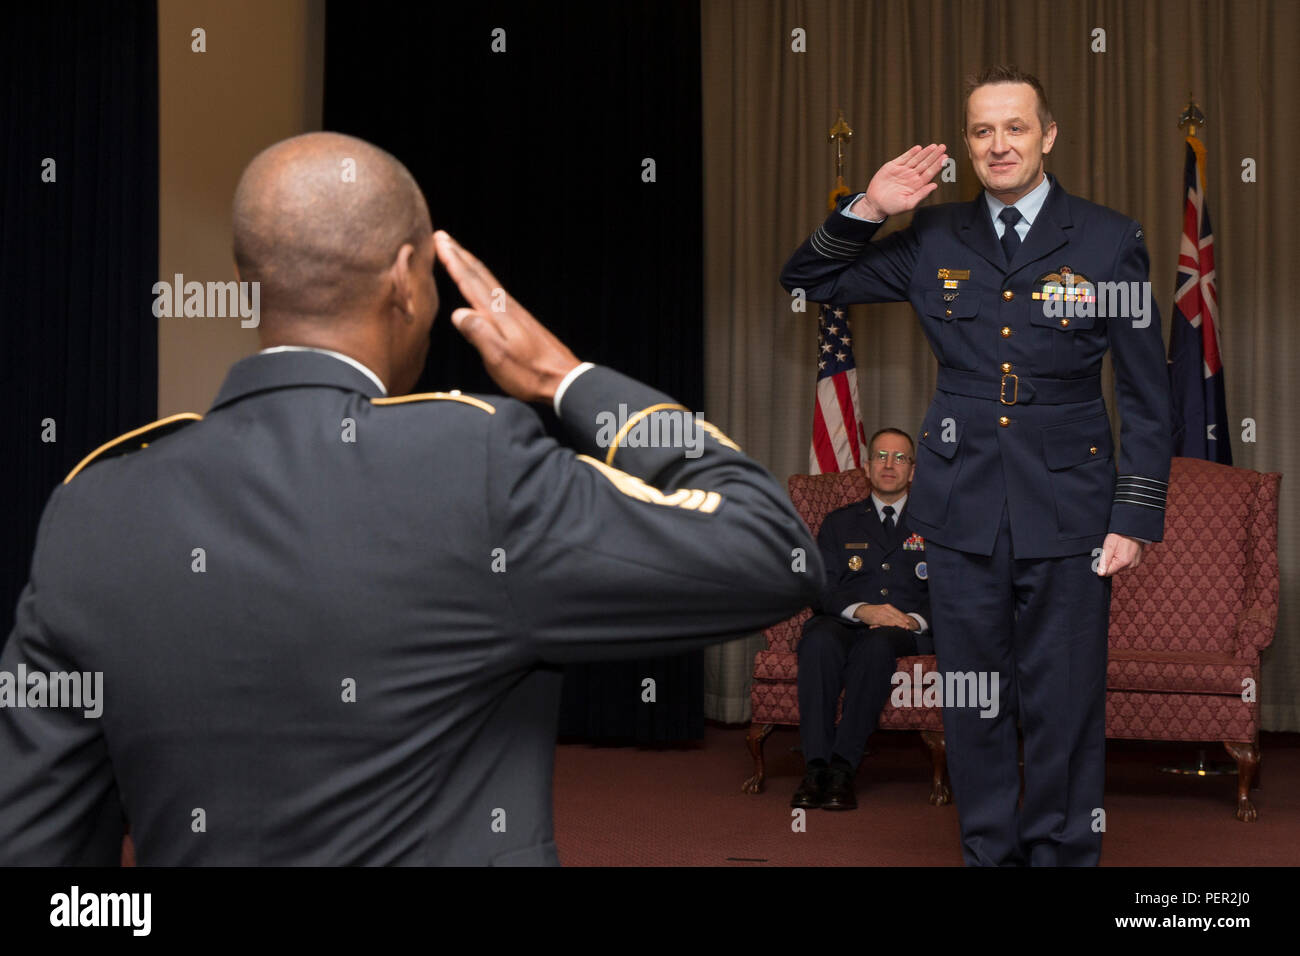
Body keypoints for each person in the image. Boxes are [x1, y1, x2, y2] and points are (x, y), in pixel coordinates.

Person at [0, 132, 823, 866]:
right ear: (405, 280)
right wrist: (566, 380)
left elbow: (39, 846)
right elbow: (772, 549)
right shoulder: (472, 464)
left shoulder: (91, 507)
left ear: (247, 284)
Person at [780, 66, 1171, 865]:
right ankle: (988, 854)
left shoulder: (1107, 239)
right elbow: (808, 279)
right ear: (967, 142)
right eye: (983, 131)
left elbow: (1145, 392)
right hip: (958, 514)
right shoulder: (934, 238)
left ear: (1048, 136)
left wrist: (1132, 516)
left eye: (1016, 127)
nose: (1000, 145)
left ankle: (1062, 856)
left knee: (1062, 706)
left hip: (1069, 514)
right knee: (973, 702)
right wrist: (869, 209)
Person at [792, 428, 931, 812]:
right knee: (817, 640)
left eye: (900, 458)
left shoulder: (934, 525)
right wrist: (863, 611)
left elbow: (953, 593)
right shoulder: (840, 523)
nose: (890, 465)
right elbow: (820, 588)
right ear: (867, 468)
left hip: (902, 630)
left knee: (878, 644)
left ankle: (842, 770)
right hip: (843, 621)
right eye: (881, 457)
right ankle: (815, 768)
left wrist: (912, 621)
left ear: (913, 471)